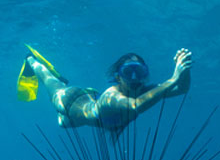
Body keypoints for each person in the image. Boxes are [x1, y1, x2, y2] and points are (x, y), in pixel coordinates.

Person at [19, 47, 192, 133]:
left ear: (144, 75)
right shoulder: (112, 95)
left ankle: (54, 79)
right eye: (127, 72)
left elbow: (182, 89)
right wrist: (173, 78)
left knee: (63, 124)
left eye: (138, 72)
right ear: (118, 76)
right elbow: (135, 106)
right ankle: (31, 60)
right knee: (53, 85)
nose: (133, 78)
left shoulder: (146, 91)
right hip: (70, 101)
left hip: (84, 110)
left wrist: (184, 70)